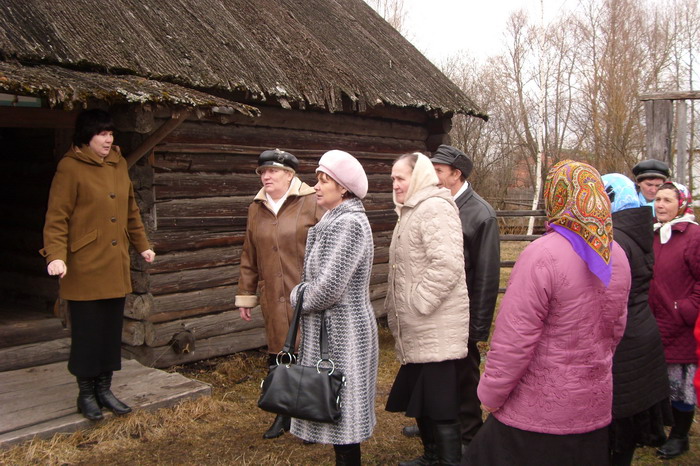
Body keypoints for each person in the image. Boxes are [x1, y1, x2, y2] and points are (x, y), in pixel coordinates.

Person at [464, 160, 631, 465]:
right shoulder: (616, 254)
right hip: (592, 409)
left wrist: (489, 394)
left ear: (556, 197)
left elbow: (515, 338)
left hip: (535, 414)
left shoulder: (542, 254)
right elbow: (615, 331)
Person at [40, 109, 155, 421]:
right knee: (88, 334)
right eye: (102, 134)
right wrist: (56, 256)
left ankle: (104, 389)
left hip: (115, 267)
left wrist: (142, 246)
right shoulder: (70, 167)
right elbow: (57, 217)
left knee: (108, 332)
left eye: (111, 133)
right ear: (86, 137)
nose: (109, 139)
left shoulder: (118, 164)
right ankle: (86, 394)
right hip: (84, 267)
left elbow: (131, 210)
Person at [289, 150, 378, 465]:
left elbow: (327, 289)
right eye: (317, 179)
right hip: (333, 332)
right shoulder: (334, 220)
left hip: (345, 334)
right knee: (334, 408)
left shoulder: (349, 224)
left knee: (344, 417)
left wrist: (296, 295)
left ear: (343, 188)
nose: (316, 186)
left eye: (323, 180)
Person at [384, 152, 470, 466]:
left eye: (400, 178)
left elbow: (447, 265)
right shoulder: (411, 211)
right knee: (422, 399)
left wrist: (418, 302)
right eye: (393, 178)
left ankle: (449, 461)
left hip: (435, 325)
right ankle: (431, 457)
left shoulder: (434, 208)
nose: (394, 184)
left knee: (441, 403)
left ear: (418, 177)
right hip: (418, 328)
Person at [236, 148, 323, 439]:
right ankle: (283, 414)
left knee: (309, 356)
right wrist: (247, 294)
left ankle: (310, 418)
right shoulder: (255, 208)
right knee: (279, 357)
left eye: (272, 171)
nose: (266, 176)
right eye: (262, 171)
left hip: (307, 296)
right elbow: (249, 255)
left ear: (290, 174)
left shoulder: (312, 201)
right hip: (272, 295)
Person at [423, 145, 499, 456]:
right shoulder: (432, 204)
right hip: (436, 309)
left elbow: (486, 276)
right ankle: (439, 423)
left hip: (464, 313)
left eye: (438, 171)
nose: (433, 177)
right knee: (436, 371)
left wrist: (477, 328)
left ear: (456, 174)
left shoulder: (480, 213)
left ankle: (469, 433)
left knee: (465, 376)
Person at [602, 173, 672, 465]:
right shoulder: (637, 229)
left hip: (624, 339)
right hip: (641, 331)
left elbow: (605, 300)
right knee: (627, 422)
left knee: (618, 422)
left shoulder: (615, 240)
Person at [648, 181, 700, 460]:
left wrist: (687, 308)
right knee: (659, 382)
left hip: (681, 324)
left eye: (667, 200)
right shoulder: (654, 234)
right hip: (654, 321)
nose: (660, 205)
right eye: (657, 199)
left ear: (681, 203)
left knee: (681, 385)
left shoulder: (694, 236)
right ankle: (657, 430)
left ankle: (679, 437)